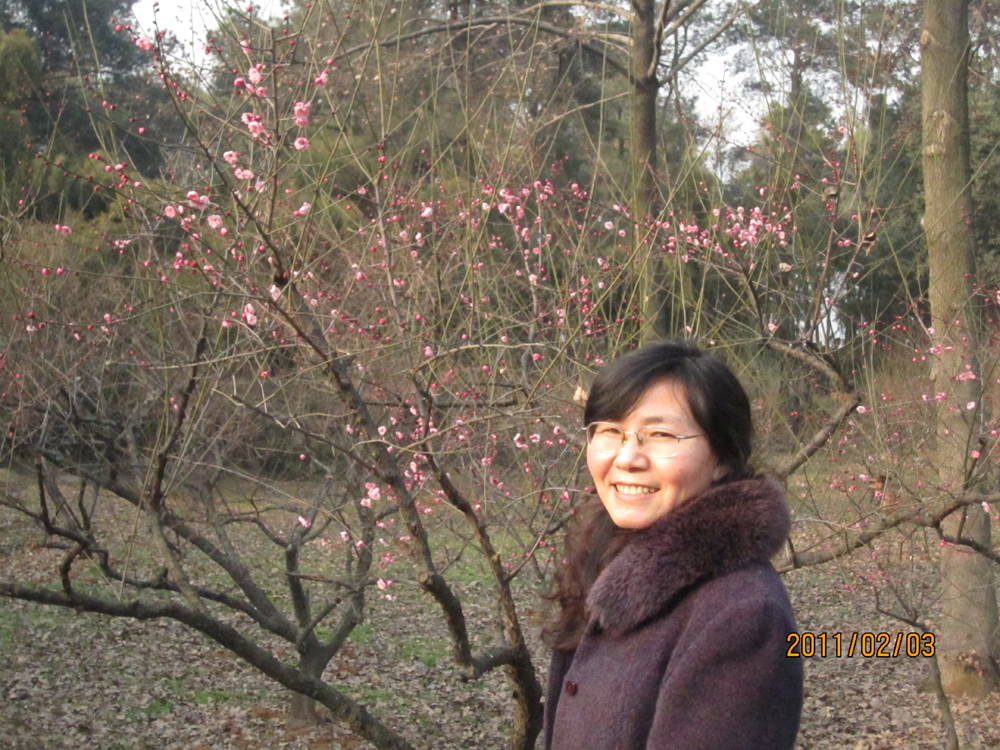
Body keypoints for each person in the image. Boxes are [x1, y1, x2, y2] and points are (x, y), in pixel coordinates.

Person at [543, 341, 803, 750]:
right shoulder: (605, 557)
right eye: (610, 431)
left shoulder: (743, 617)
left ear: (721, 458)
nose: (627, 458)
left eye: (660, 435)